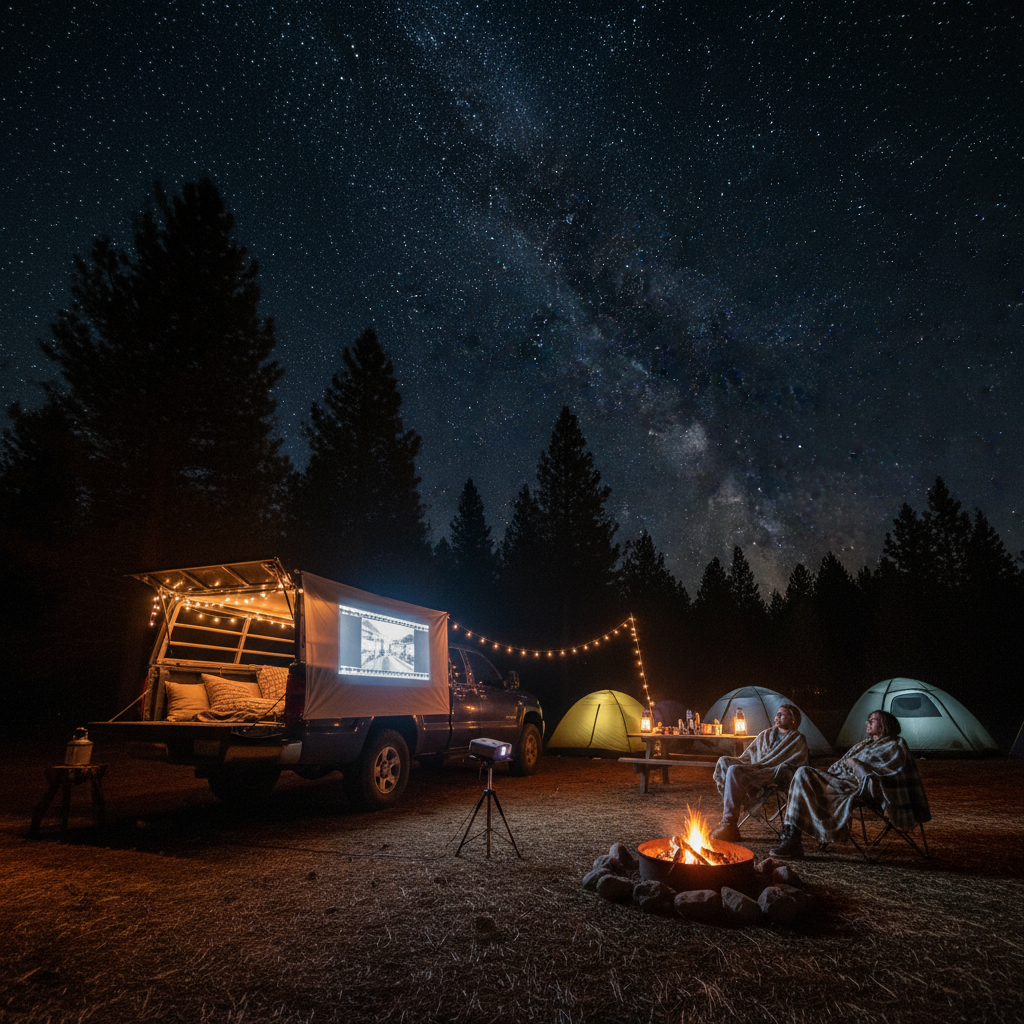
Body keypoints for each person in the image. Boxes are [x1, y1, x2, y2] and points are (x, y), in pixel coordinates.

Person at [770, 709, 929, 858]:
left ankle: (792, 841)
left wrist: (857, 765)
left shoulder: (896, 744)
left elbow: (894, 771)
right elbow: (841, 763)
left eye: (872, 720)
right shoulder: (864, 743)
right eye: (868, 720)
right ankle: (791, 839)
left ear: (885, 725)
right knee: (802, 773)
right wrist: (848, 765)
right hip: (839, 779)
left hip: (859, 786)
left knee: (803, 773)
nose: (867, 723)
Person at [710, 704, 810, 842]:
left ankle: (729, 824)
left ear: (793, 719)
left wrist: (778, 768)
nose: (777, 717)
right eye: (777, 714)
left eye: (782, 714)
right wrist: (747, 765)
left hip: (775, 773)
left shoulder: (797, 739)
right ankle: (729, 824)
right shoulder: (766, 734)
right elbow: (748, 756)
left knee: (734, 770)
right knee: (725, 762)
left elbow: (799, 762)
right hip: (756, 768)